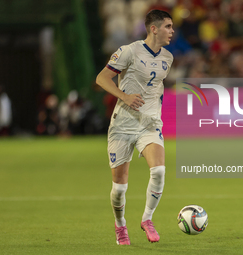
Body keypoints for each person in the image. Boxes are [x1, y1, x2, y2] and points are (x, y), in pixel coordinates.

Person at [96, 10, 174, 245]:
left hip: (149, 123)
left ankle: (147, 219)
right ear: (154, 28)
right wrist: (125, 96)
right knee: (120, 188)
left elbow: (155, 87)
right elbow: (101, 79)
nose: (172, 31)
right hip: (123, 124)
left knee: (159, 171)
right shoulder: (129, 51)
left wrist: (154, 112)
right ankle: (120, 225)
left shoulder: (168, 58)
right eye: (168, 26)